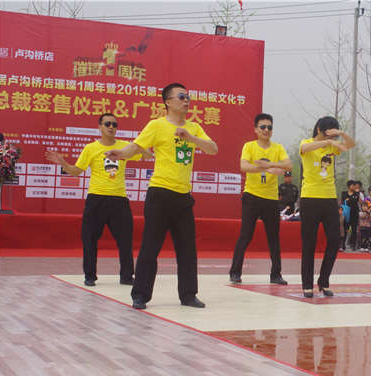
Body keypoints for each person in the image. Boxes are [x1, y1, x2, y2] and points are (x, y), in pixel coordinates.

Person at [105, 83, 218, 309]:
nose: (186, 101)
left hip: (183, 197)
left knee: (187, 250)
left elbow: (212, 148)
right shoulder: (156, 125)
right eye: (181, 97)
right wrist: (120, 153)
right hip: (160, 194)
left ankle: (188, 295)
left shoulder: (194, 127)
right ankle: (140, 295)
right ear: (168, 102)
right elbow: (135, 147)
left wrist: (191, 138)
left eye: (188, 97)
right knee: (150, 247)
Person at [45, 113, 148, 287]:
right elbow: (76, 171)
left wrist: (140, 147)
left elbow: (146, 155)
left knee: (125, 240)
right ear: (99, 127)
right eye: (107, 124)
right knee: (90, 238)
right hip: (96, 199)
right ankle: (90, 275)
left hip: (119, 199)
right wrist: (63, 163)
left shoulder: (124, 147)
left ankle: (126, 276)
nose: (111, 127)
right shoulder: (90, 148)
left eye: (114, 124)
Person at [229, 113, 291, 284]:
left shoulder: (277, 148)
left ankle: (276, 274)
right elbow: (244, 166)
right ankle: (235, 272)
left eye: (269, 127)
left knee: (274, 238)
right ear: (256, 129)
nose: (266, 130)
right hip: (252, 196)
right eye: (262, 127)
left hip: (271, 199)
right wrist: (265, 168)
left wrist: (269, 165)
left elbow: (288, 165)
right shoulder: (249, 146)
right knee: (245, 235)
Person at [299, 116, 355, 298]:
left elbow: (350, 145)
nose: (331, 138)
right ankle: (307, 284)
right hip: (310, 198)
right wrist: (328, 141)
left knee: (334, 239)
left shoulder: (332, 147)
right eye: (328, 133)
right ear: (319, 130)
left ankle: (323, 281)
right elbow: (304, 149)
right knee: (309, 242)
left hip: (329, 198)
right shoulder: (307, 143)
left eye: (333, 134)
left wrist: (341, 134)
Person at [341, 180, 360, 251]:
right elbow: (343, 201)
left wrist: (349, 200)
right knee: (345, 229)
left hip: (354, 214)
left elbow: (355, 201)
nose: (354, 187)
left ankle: (353, 245)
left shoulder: (357, 193)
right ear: (349, 186)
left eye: (354, 185)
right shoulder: (344, 193)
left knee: (354, 230)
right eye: (353, 185)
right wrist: (351, 199)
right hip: (346, 214)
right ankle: (342, 244)